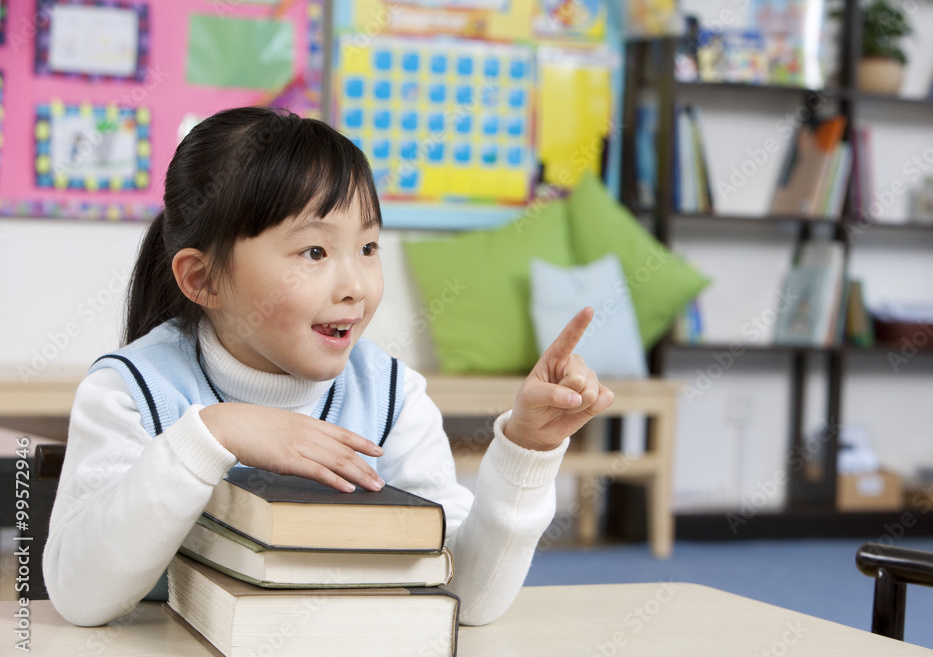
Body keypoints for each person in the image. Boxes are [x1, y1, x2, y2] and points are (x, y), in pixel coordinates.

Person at [43, 107, 614, 628]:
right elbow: (79, 595)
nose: (355, 287)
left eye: (368, 248)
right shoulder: (131, 392)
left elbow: (466, 595)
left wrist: (526, 449)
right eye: (314, 252)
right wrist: (212, 434)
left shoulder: (391, 398)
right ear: (203, 279)